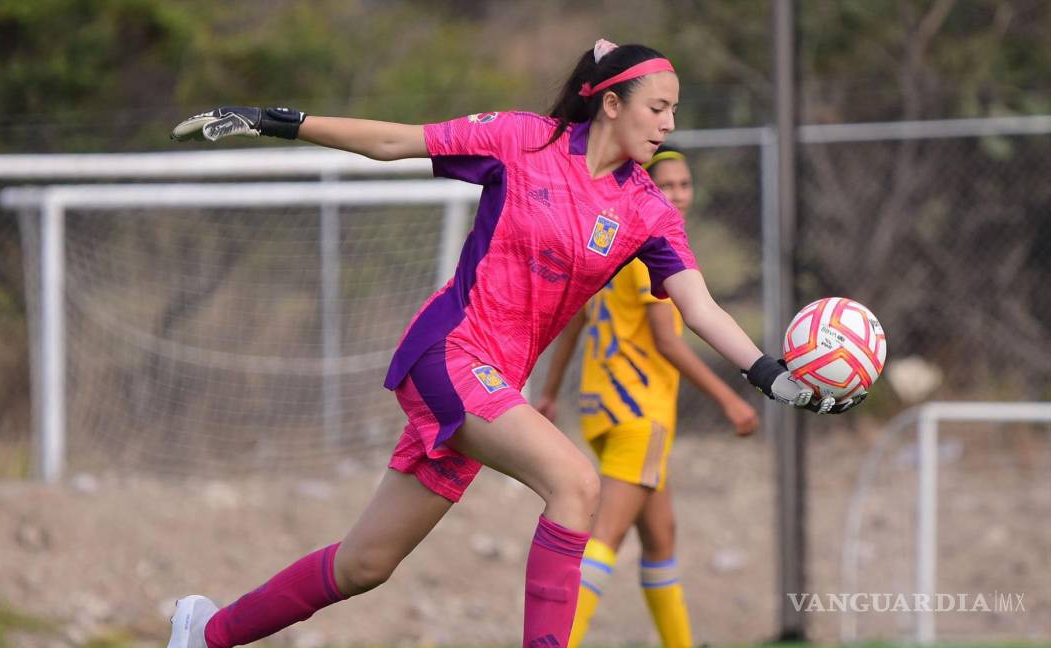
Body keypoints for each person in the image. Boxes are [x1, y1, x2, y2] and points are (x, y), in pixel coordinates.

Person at [166, 38, 857, 648]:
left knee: (365, 565)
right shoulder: (524, 139)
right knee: (575, 481)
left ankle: (207, 633)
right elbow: (395, 141)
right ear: (611, 104)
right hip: (448, 353)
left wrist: (772, 375)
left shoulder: (646, 208)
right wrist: (273, 119)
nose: (670, 123)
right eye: (659, 107)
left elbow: (699, 307)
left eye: (674, 110)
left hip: (497, 385)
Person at [535, 144, 759, 648]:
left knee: (661, 538)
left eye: (685, 184)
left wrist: (550, 392)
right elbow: (666, 338)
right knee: (604, 540)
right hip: (640, 414)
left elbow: (574, 318)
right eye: (668, 185)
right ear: (648, 188)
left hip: (602, 411)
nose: (678, 194)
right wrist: (731, 398)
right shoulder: (651, 247)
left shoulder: (611, 238)